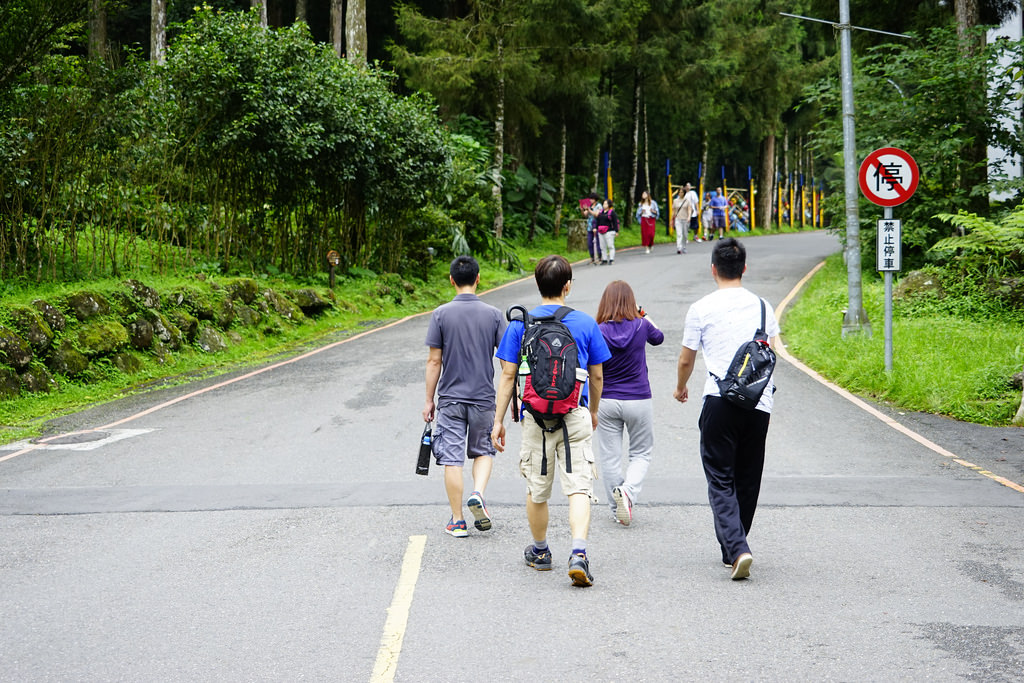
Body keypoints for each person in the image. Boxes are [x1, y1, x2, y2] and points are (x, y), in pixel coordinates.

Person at [491, 255, 611, 587]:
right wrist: (594, 410)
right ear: (568, 286)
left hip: (534, 418)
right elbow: (598, 376)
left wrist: (498, 421)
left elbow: (507, 377)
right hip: (574, 414)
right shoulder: (586, 323)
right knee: (579, 488)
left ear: (537, 284)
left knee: (537, 490)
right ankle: (578, 553)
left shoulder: (520, 324)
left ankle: (541, 552)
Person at [673, 238, 780, 580]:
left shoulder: (701, 308)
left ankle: (737, 549)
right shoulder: (764, 306)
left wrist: (680, 387)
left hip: (718, 401)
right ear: (744, 268)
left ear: (713, 270)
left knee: (720, 478)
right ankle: (734, 546)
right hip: (758, 403)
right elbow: (773, 355)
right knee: (748, 478)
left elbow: (686, 358)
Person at [423, 255, 507, 538]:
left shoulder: (440, 314)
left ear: (451, 281)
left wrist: (428, 400)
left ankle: (457, 520)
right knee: (484, 450)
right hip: (483, 397)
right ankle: (478, 494)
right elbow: (507, 363)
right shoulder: (494, 315)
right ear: (478, 278)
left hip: (450, 399)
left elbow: (434, 361)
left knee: (452, 459)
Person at [594, 280, 664, 526]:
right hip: (638, 398)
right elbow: (660, 338)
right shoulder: (642, 325)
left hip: (607, 400)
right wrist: (644, 314)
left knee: (610, 457)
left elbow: (592, 368)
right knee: (641, 452)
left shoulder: (598, 329)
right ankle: (628, 492)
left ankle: (617, 508)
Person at [673, 183, 699, 254]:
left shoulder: (687, 201)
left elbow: (689, 210)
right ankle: (679, 247)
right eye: (679, 192)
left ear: (684, 193)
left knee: (685, 234)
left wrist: (688, 217)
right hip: (678, 219)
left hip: (685, 219)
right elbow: (674, 210)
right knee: (679, 234)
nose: (680, 193)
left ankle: (684, 247)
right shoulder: (675, 201)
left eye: (681, 192)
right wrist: (672, 219)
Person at [595, 199, 619, 265]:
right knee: (602, 246)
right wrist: (596, 228)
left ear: (609, 205)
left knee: (610, 245)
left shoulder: (612, 213)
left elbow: (615, 222)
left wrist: (616, 231)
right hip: (600, 231)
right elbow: (598, 221)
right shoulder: (600, 213)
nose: (604, 205)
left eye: (606, 204)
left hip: (609, 231)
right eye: (603, 204)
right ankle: (604, 259)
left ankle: (611, 259)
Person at [580, 193, 603, 265]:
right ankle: (592, 258)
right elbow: (584, 215)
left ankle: (600, 257)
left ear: (595, 199)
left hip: (597, 225)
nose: (590, 200)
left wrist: (589, 210)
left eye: (592, 199)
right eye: (590, 199)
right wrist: (582, 209)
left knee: (598, 242)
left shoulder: (599, 206)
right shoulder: (589, 206)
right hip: (590, 226)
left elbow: (596, 215)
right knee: (590, 243)